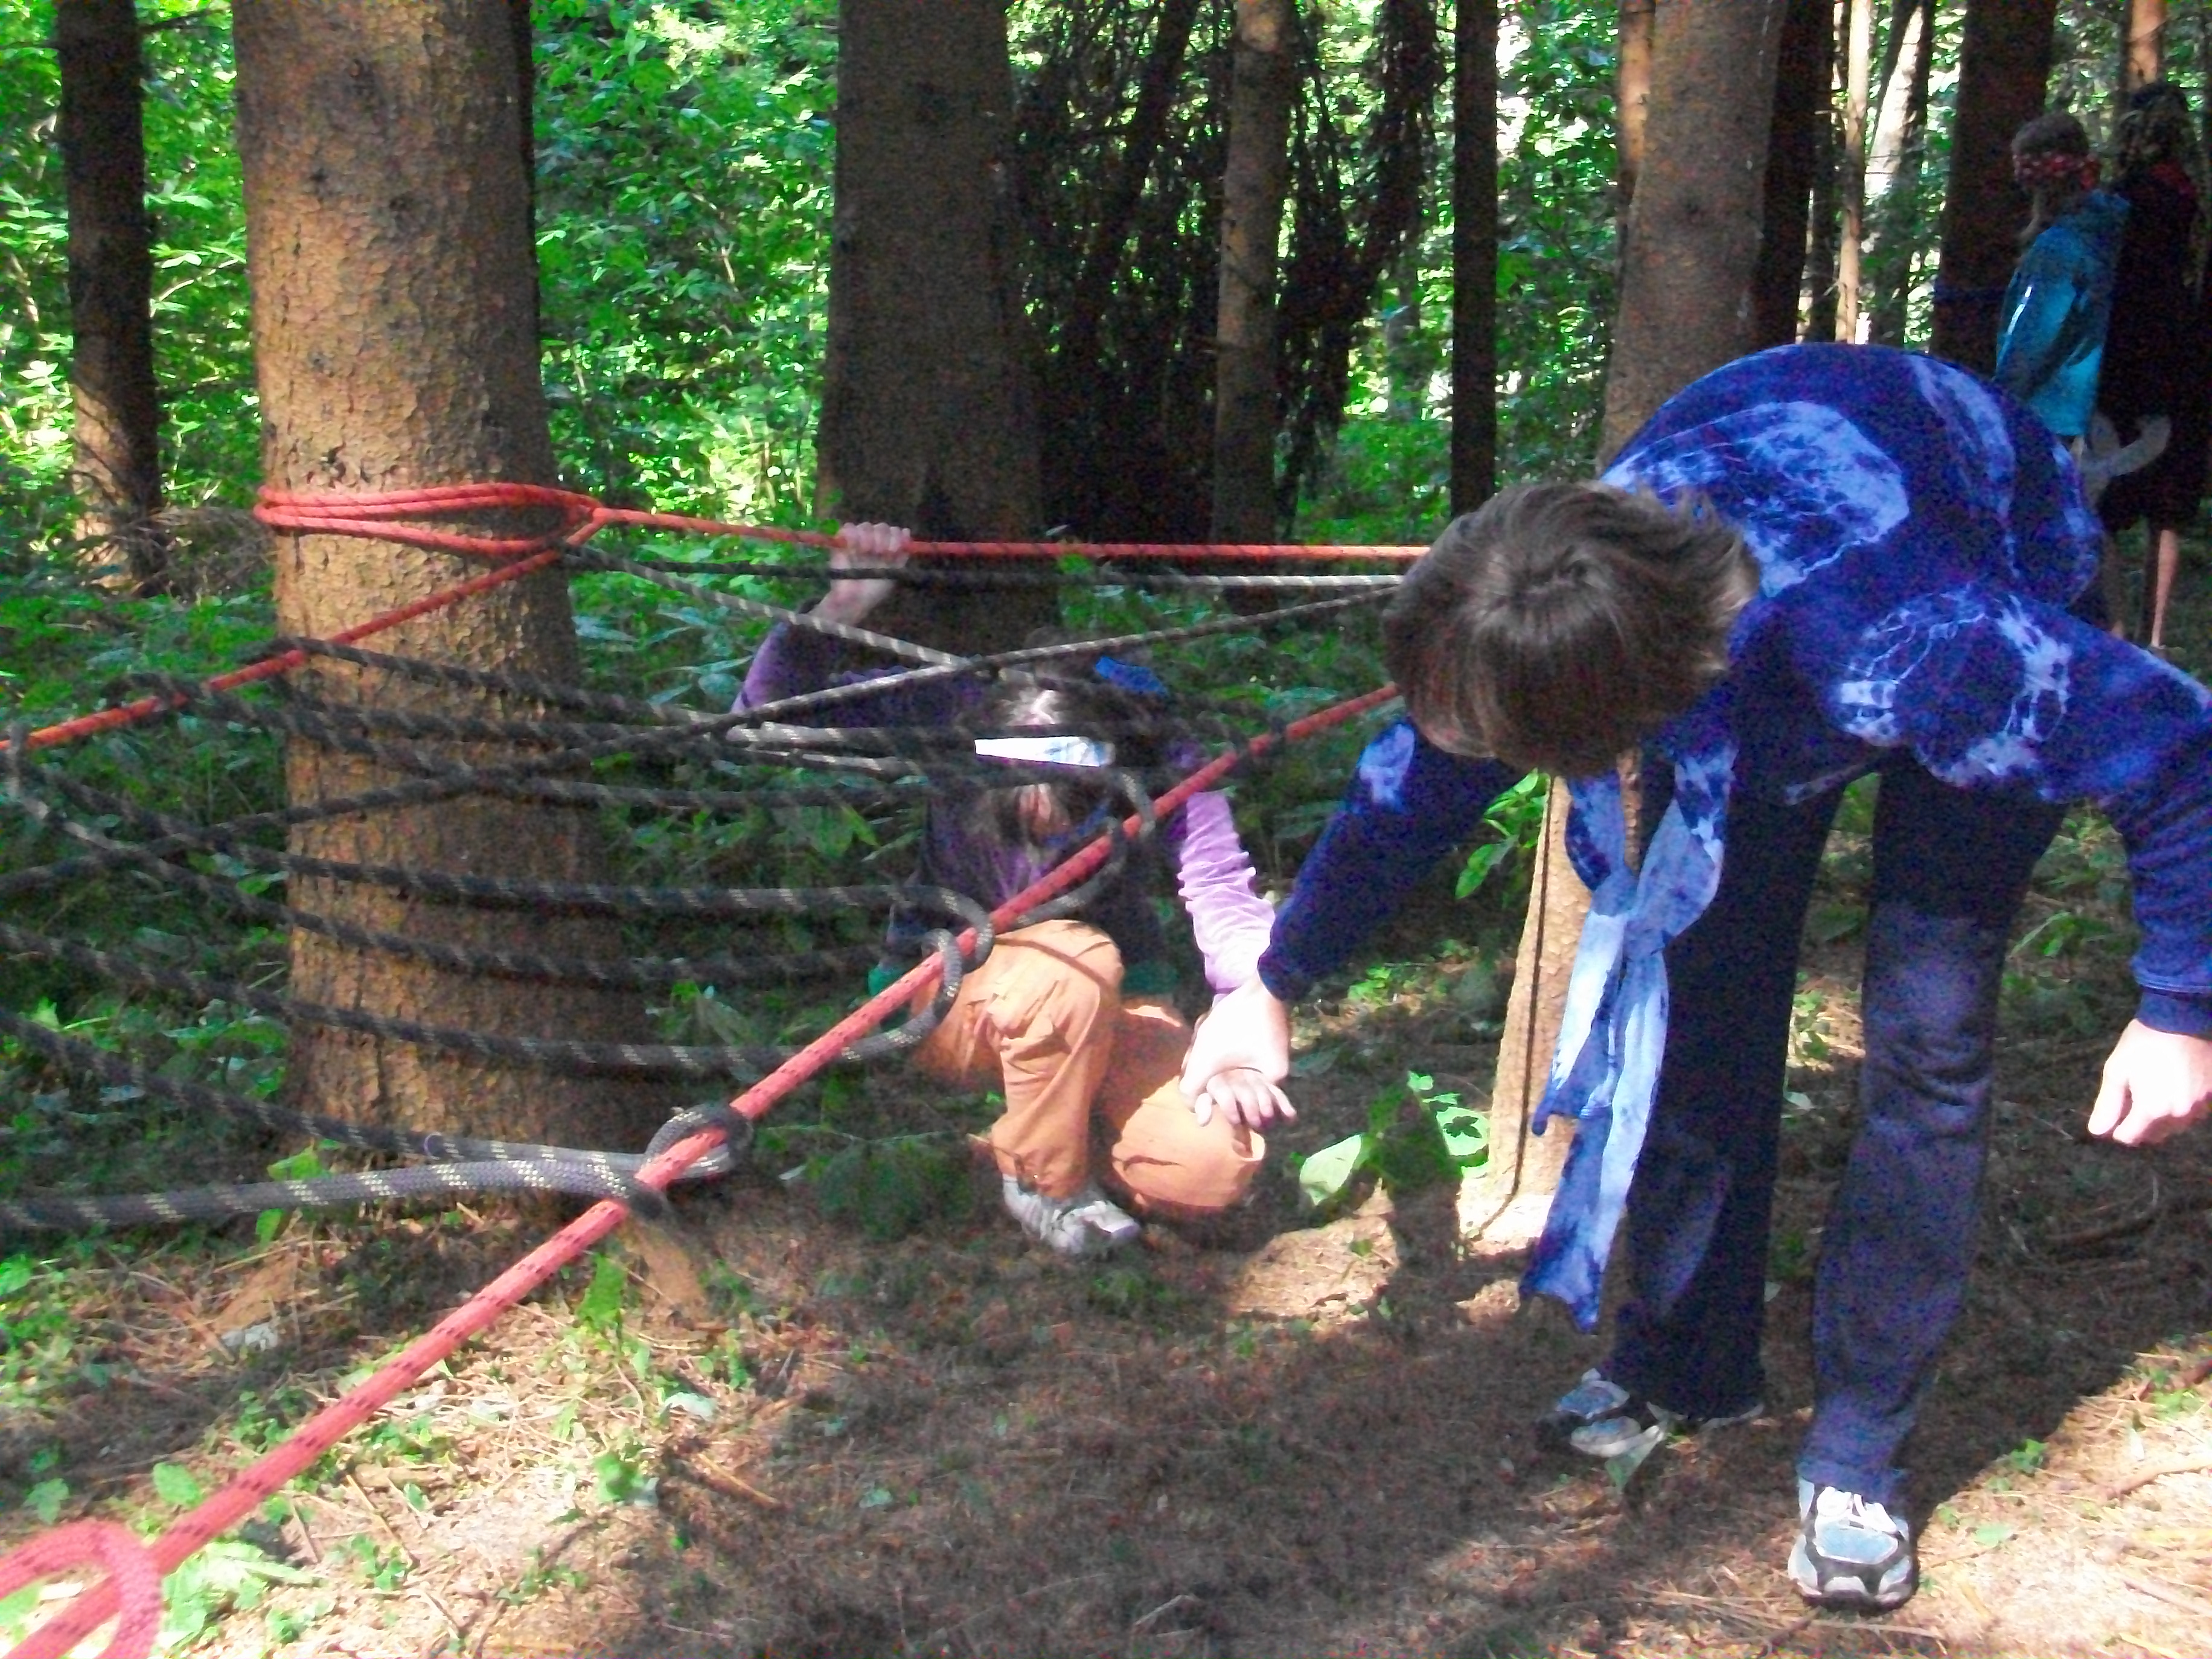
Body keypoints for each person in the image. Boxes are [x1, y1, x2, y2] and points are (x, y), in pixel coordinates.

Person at [1179, 344, 2212, 1611]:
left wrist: (2179, 1005)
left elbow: (2175, 747)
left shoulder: (1919, 646)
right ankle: (1681, 1361)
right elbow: (1418, 781)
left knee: (1926, 1039)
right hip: (1763, 644)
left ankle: (1856, 1456)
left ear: (1620, 720)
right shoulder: (1555, 593)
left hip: (1980, 562)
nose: (1469, 753)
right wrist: (1271, 980)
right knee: (1699, 1005)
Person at [738, 523, 1282, 1259]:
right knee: (1072, 963)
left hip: (1118, 999)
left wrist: (1250, 1005)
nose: (1041, 836)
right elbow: (764, 720)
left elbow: (1220, 889)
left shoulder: (1162, 752)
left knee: (1208, 1172)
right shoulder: (949, 709)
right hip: (950, 991)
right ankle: (1043, 1180)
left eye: (1064, 818)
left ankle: (1065, 1126)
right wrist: (840, 609)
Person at [2095, 82, 2211, 655]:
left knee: (2109, 499)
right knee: (2169, 507)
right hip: (2190, 366)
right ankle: (2157, 637)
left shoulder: (2119, 201)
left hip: (2129, 363)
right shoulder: (2199, 201)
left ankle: (2118, 632)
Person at [1993, 109, 2130, 443]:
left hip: (2046, 414)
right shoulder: (2117, 226)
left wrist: (1998, 404)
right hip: (2093, 407)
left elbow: (2033, 338)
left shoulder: (2058, 249)